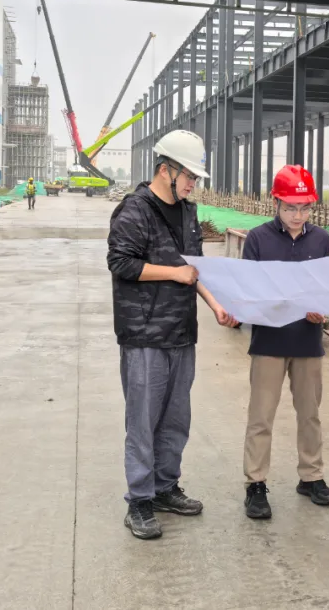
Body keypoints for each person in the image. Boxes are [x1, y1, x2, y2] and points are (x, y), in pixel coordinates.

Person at [106, 129, 238, 540]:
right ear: (166, 169)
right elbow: (121, 263)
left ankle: (165, 487)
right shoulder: (135, 210)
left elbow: (194, 270)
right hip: (144, 334)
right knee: (143, 422)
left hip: (181, 332)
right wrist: (173, 273)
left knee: (176, 419)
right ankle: (140, 500)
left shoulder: (188, 213)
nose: (193, 183)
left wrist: (216, 305)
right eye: (190, 175)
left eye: (195, 177)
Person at [241, 165, 329, 520]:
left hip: (307, 342)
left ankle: (311, 476)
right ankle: (255, 483)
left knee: (310, 414)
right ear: (276, 203)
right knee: (261, 417)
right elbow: (247, 289)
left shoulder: (321, 240)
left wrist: (322, 310)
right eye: (290, 208)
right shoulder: (257, 239)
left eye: (305, 208)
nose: (298, 215)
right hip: (269, 341)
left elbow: (328, 287)